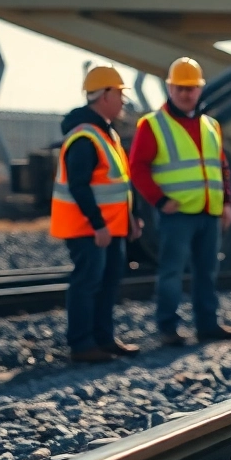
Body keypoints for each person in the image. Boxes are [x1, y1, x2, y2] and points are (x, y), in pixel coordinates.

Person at [129, 57, 231, 346]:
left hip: (209, 212)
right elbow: (137, 168)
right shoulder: (152, 125)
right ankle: (168, 328)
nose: (185, 94)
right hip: (176, 214)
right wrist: (159, 200)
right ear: (169, 88)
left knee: (207, 272)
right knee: (171, 273)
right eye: (180, 88)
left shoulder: (211, 125)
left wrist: (226, 203)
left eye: (191, 88)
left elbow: (221, 166)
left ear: (200, 89)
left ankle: (207, 325)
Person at [51, 65, 143, 363]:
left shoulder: (107, 134)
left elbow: (120, 183)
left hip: (111, 228)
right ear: (104, 95)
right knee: (87, 283)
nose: (123, 101)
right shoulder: (84, 138)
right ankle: (82, 345)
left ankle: (103, 339)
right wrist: (99, 224)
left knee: (108, 283)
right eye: (120, 94)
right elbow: (79, 187)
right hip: (89, 229)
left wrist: (132, 218)